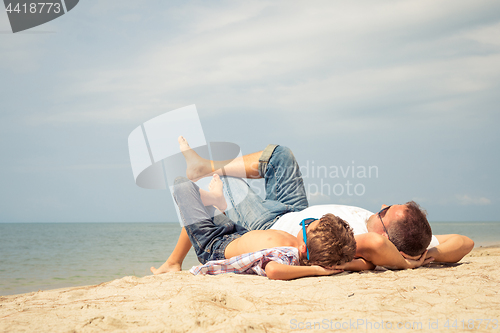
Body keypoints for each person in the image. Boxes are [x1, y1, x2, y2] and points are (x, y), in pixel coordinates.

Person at [151, 137, 474, 274]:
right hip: (294, 207)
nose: (383, 204)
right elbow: (465, 243)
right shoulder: (413, 239)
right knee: (280, 155)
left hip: (271, 224)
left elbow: (376, 245)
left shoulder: (368, 244)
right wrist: (428, 255)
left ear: (389, 236)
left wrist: (404, 265)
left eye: (384, 212)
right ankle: (205, 165)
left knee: (221, 193)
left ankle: (173, 261)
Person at [165, 173, 356, 280]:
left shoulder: (288, 256)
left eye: (306, 225)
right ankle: (173, 262)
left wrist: (317, 270)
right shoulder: (304, 251)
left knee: (181, 185)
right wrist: (332, 264)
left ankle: (216, 201)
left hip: (214, 247)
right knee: (203, 207)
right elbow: (359, 263)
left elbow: (273, 271)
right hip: (236, 233)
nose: (303, 224)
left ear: (304, 247)